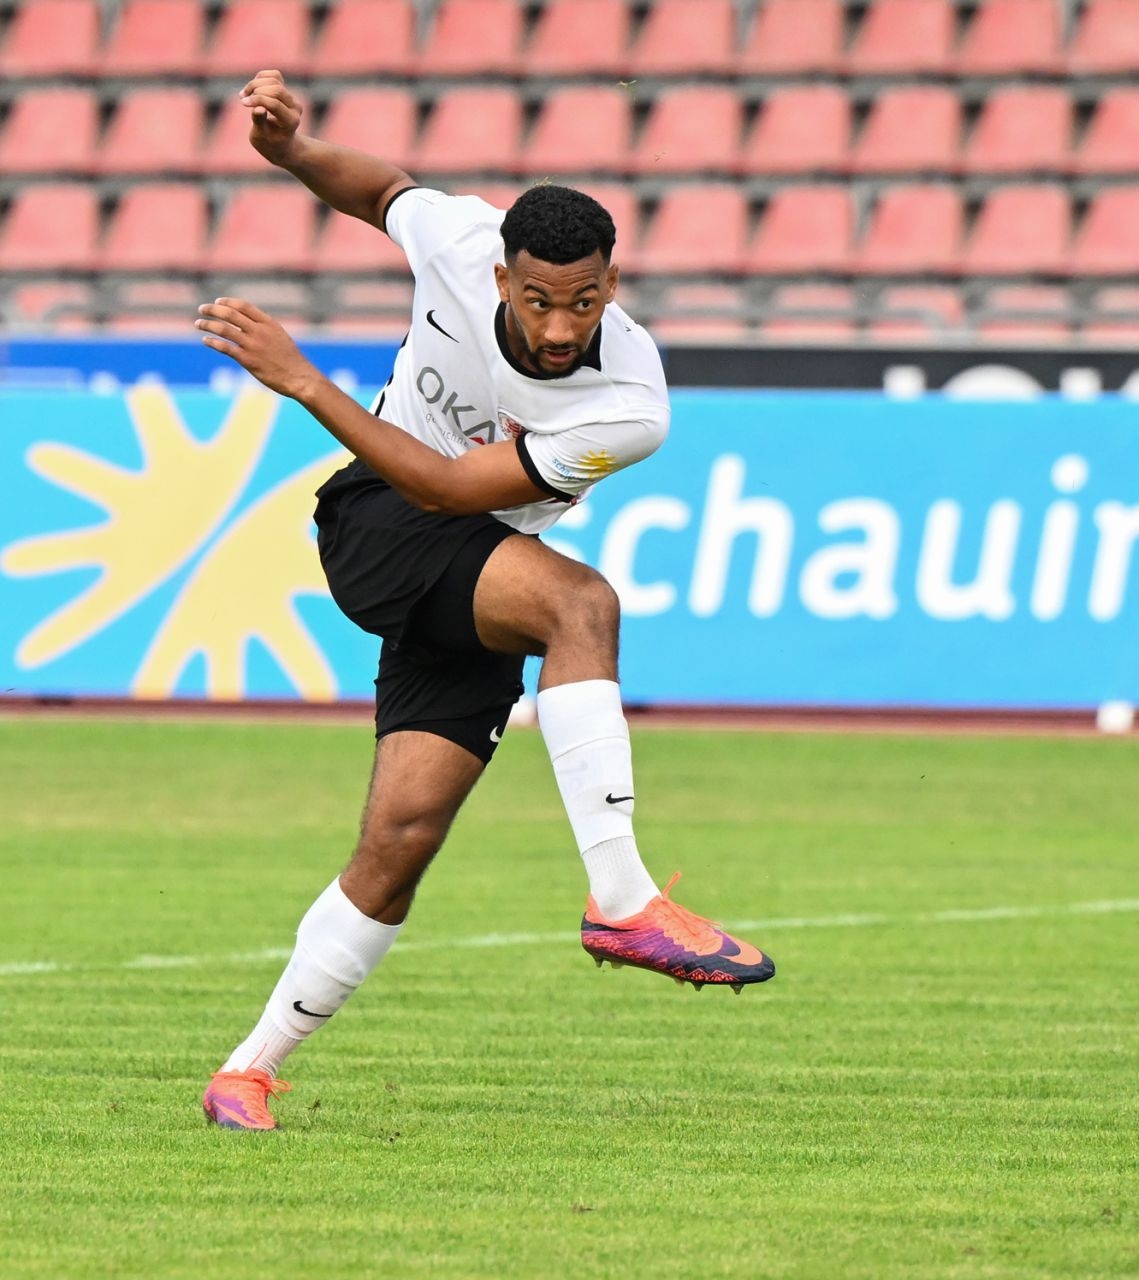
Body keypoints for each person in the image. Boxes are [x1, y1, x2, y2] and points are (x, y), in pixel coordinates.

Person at [195, 71, 774, 1133]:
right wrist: (293, 153)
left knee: (399, 844)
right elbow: (384, 193)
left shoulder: (630, 400)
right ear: (501, 273)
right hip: (377, 522)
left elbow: (457, 490)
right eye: (538, 299)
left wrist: (305, 380)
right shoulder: (461, 242)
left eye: (585, 301)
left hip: (466, 545)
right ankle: (622, 900)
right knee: (581, 606)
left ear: (612, 283)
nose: (560, 326)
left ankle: (247, 1071)